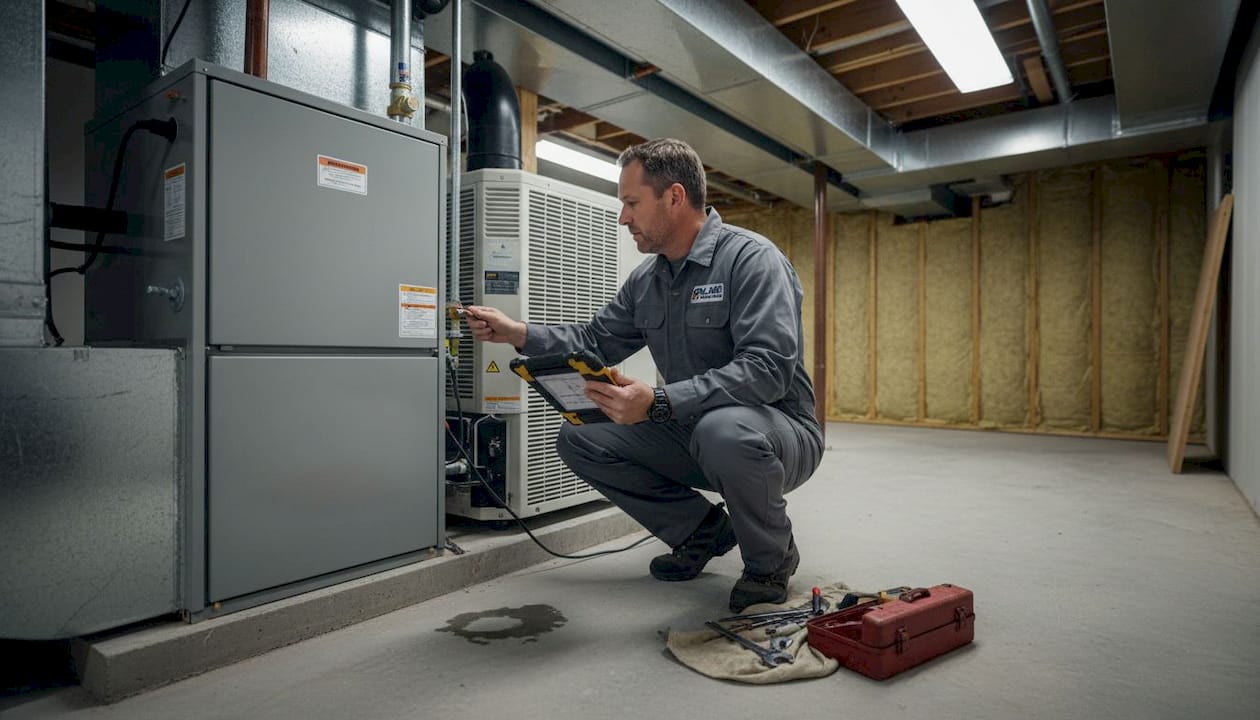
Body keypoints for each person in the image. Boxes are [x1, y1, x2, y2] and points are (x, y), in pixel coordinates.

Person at [464, 138, 823, 613]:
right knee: (582, 436)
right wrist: (518, 333)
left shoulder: (752, 260)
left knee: (724, 430)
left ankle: (770, 560)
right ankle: (702, 532)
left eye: (632, 203)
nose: (623, 217)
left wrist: (657, 401)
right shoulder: (647, 280)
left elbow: (767, 370)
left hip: (778, 433)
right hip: (695, 429)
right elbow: (595, 340)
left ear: (674, 197)